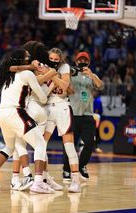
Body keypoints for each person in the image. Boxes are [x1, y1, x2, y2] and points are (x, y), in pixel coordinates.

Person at [0, 48, 54, 194]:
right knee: (40, 143)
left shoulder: (10, 75)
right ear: (23, 60)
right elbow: (43, 98)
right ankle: (38, 182)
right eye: (28, 57)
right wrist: (48, 87)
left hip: (2, 114)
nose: (30, 58)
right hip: (16, 112)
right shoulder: (27, 74)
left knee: (9, 147)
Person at [42, 47, 81, 193]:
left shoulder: (64, 67)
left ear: (60, 61)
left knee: (69, 146)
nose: (52, 61)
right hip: (47, 106)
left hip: (62, 106)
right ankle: (45, 178)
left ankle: (76, 180)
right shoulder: (42, 66)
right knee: (41, 145)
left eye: (55, 60)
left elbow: (65, 86)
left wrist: (51, 75)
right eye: (50, 59)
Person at [66, 51, 104, 180]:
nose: (82, 62)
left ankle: (82, 165)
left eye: (85, 60)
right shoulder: (71, 74)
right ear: (76, 62)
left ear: (88, 62)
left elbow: (100, 85)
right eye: (80, 60)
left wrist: (92, 75)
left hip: (87, 115)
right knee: (70, 144)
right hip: (73, 114)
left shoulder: (91, 76)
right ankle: (66, 169)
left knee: (89, 143)